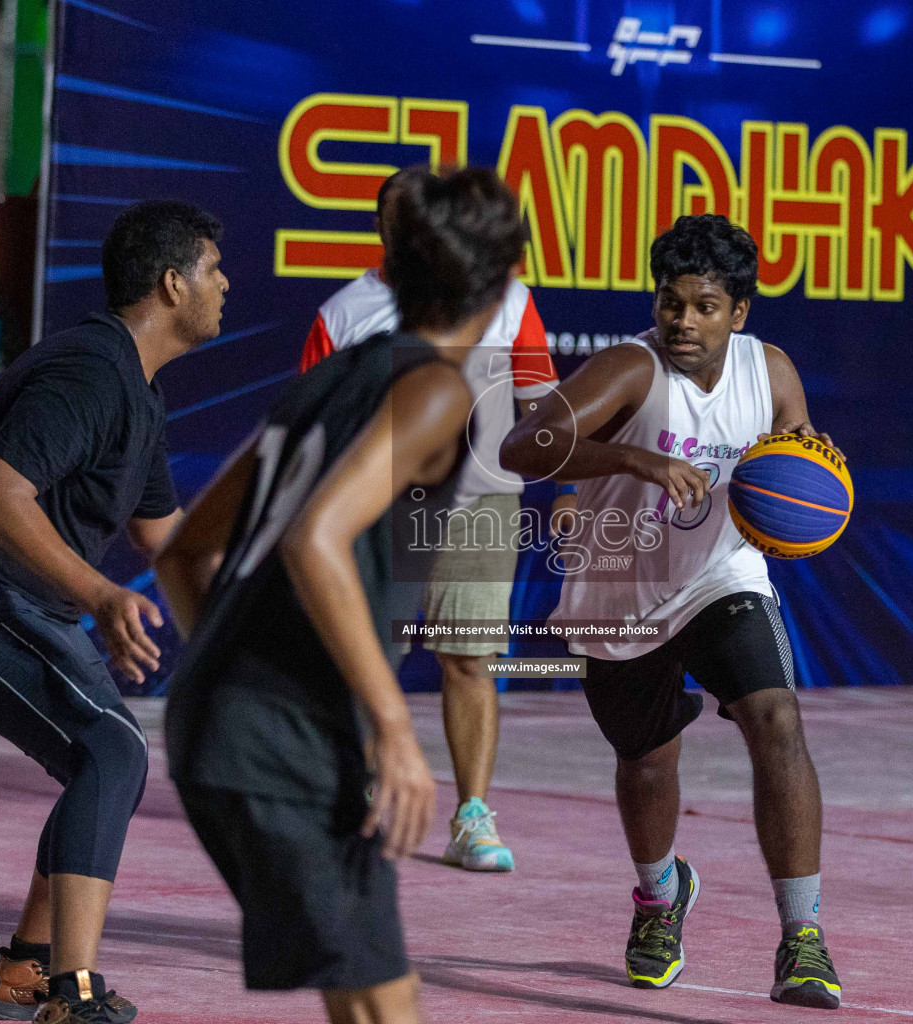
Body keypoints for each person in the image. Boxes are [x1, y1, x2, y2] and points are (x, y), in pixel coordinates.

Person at [157, 165, 527, 1024]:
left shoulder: (329, 377)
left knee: (366, 998)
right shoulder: (434, 387)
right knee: (386, 1003)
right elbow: (315, 536)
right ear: (506, 282)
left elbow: (184, 555)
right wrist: (393, 727)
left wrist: (232, 676)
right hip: (277, 736)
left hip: (225, 720)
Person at [0, 200, 226, 1023]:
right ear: (173, 283)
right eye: (215, 270)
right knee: (110, 749)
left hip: (20, 609)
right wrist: (103, 595)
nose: (227, 285)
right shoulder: (89, 371)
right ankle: (71, 995)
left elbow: (168, 545)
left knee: (104, 758)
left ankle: (25, 974)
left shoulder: (138, 392)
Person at [500, 214, 843, 1008]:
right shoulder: (631, 368)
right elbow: (524, 447)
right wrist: (632, 457)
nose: (683, 320)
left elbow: (799, 460)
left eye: (704, 305)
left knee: (777, 720)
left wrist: (815, 481)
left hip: (722, 577)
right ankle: (661, 895)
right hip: (620, 586)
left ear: (740, 312)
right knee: (648, 762)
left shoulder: (771, 371)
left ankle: (804, 939)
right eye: (671, 303)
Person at [300, 170, 568, 872]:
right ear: (381, 226)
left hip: (479, 505)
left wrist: (578, 471)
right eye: (400, 218)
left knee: (470, 659)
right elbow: (312, 428)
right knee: (365, 660)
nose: (413, 230)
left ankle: (472, 816)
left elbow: (544, 401)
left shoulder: (508, 302)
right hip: (373, 508)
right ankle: (354, 802)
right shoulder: (344, 313)